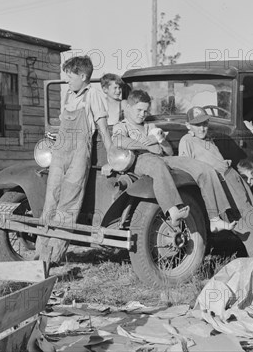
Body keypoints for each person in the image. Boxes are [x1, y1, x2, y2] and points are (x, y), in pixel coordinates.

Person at [36, 56, 113, 265]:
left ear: (83, 76)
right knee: (50, 200)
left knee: (68, 206)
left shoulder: (94, 95)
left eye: (70, 77)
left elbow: (103, 129)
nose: (67, 81)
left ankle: (52, 258)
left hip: (79, 154)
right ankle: (39, 253)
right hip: (60, 152)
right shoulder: (69, 95)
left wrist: (112, 155)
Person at [179, 107, 253, 265]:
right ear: (188, 126)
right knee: (251, 226)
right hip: (223, 187)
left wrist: (222, 163)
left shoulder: (208, 139)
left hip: (233, 179)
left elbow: (211, 159)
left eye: (205, 123)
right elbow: (188, 168)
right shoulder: (187, 141)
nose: (202, 128)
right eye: (197, 125)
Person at [112, 89, 190, 226]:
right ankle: (173, 209)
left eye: (145, 111)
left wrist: (161, 140)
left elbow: (169, 152)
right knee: (157, 165)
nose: (142, 114)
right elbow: (119, 141)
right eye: (139, 110)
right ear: (128, 108)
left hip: (159, 159)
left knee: (184, 165)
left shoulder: (150, 126)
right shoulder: (122, 126)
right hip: (139, 161)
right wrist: (147, 145)